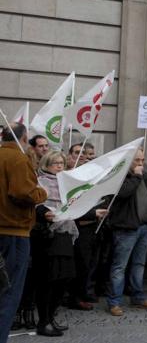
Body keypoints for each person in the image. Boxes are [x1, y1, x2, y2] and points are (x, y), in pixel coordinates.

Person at [0, 123, 48, 343]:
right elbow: (22, 192)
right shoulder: (18, 159)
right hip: (13, 231)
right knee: (9, 292)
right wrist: (41, 193)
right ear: (23, 138)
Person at [106, 148, 147, 316]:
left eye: (142, 160)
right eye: (137, 161)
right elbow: (123, 193)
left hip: (145, 227)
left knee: (139, 264)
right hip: (126, 228)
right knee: (120, 266)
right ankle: (114, 301)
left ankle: (137, 296)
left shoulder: (146, 174)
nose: (141, 164)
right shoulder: (120, 175)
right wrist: (136, 176)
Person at [33, 151, 79, 336]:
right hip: (49, 235)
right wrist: (44, 212)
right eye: (54, 163)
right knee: (49, 281)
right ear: (46, 164)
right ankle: (44, 321)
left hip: (66, 233)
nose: (59, 166)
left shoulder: (66, 183)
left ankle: (51, 317)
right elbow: (36, 204)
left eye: (61, 163)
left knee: (64, 279)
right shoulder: (40, 182)